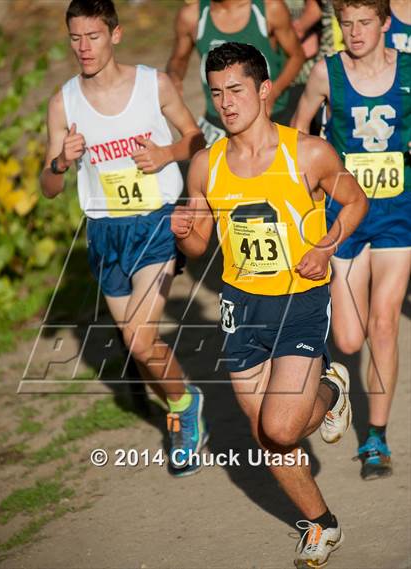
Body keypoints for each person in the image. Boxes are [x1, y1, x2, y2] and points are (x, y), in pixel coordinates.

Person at [171, 42, 368, 568]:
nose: (226, 102)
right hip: (240, 306)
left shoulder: (307, 153)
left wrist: (325, 244)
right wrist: (185, 233)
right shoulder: (205, 167)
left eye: (236, 89)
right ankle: (323, 526)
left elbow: (355, 201)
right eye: (216, 93)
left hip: (300, 301)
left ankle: (329, 385)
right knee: (267, 437)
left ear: (263, 90)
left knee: (282, 427)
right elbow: (198, 246)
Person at [40, 0, 208, 477]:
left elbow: (196, 139)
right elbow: (49, 189)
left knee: (137, 338)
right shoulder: (63, 102)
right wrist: (60, 162)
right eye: (75, 38)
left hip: (155, 222)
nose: (83, 48)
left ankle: (183, 408)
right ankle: (182, 402)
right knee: (143, 345)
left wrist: (166, 154)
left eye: (93, 36)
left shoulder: (153, 84)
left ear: (115, 34)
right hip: (105, 232)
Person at [293, 0, 411, 480]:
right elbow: (298, 131)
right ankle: (333, 378)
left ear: (386, 24)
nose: (355, 33)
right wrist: (308, 185)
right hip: (344, 212)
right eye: (346, 25)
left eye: (365, 23)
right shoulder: (326, 74)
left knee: (384, 325)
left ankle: (376, 439)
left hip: (397, 213)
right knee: (347, 337)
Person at [166, 0, 305, 145]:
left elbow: (296, 55)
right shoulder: (192, 16)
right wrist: (174, 77)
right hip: (220, 115)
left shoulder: (269, 8)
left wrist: (273, 93)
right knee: (202, 161)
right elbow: (178, 59)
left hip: (271, 111)